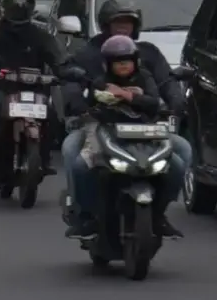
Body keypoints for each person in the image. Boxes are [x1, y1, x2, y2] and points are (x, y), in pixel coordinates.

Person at [62, 35, 187, 239]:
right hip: (106, 132)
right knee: (81, 165)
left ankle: (159, 214)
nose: (123, 65)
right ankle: (87, 217)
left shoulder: (146, 77)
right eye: (117, 62)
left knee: (178, 165)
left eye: (127, 60)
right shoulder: (100, 80)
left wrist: (128, 96)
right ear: (107, 64)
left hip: (147, 132)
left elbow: (154, 102)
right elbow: (91, 99)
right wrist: (86, 107)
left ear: (136, 61)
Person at [0, 0, 70, 175]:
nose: (19, 9)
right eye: (14, 5)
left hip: (35, 89)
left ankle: (44, 156)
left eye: (24, 5)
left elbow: (57, 57)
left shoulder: (41, 35)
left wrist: (65, 70)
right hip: (2, 87)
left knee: (51, 114)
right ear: (3, 6)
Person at [69, 0, 182, 112]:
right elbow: (72, 87)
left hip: (145, 121)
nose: (123, 27)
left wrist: (177, 107)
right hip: (100, 121)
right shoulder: (86, 54)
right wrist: (79, 111)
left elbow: (168, 83)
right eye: (118, 22)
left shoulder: (149, 52)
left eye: (128, 22)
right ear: (106, 25)